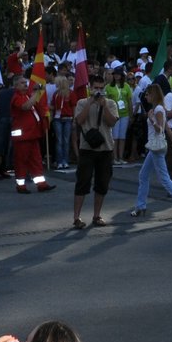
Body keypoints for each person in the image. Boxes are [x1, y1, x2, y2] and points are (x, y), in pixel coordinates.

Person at [130, 84, 172, 220]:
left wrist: (151, 119)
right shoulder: (159, 108)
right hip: (155, 147)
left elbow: (159, 129)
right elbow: (167, 127)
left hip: (157, 147)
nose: (146, 96)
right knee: (143, 175)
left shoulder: (157, 109)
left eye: (147, 94)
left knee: (164, 179)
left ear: (153, 95)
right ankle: (141, 206)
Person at [72, 75, 118, 228]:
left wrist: (103, 106)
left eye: (101, 88)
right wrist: (90, 103)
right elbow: (79, 121)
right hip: (87, 148)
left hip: (105, 149)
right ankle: (76, 217)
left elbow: (112, 122)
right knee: (82, 182)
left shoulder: (110, 103)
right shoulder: (82, 102)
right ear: (90, 88)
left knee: (102, 183)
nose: (98, 91)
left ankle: (97, 215)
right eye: (95, 88)